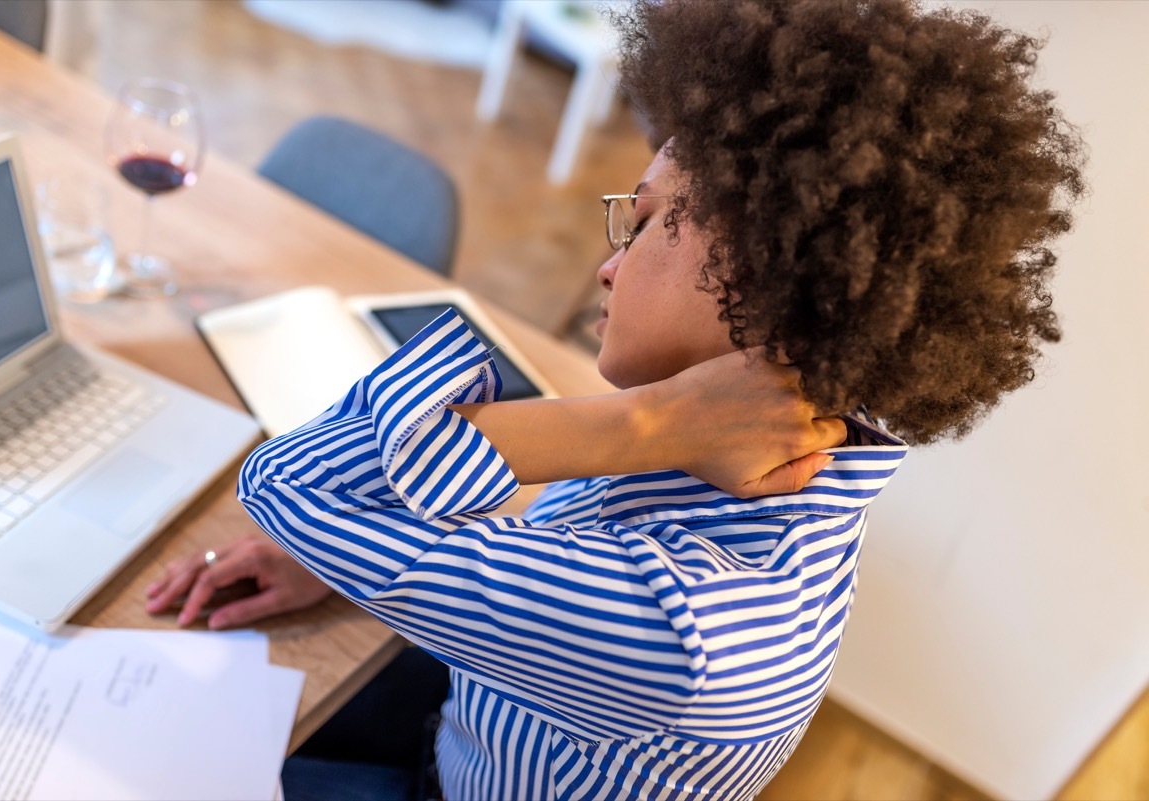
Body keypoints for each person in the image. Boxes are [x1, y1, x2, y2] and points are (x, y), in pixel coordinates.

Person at [146, 0, 1085, 799]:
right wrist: (364, 563)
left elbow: (290, 487)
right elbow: (513, 527)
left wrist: (644, 421)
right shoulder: (765, 449)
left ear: (765, 279)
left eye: (640, 224)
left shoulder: (696, 633)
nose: (605, 264)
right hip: (461, 704)